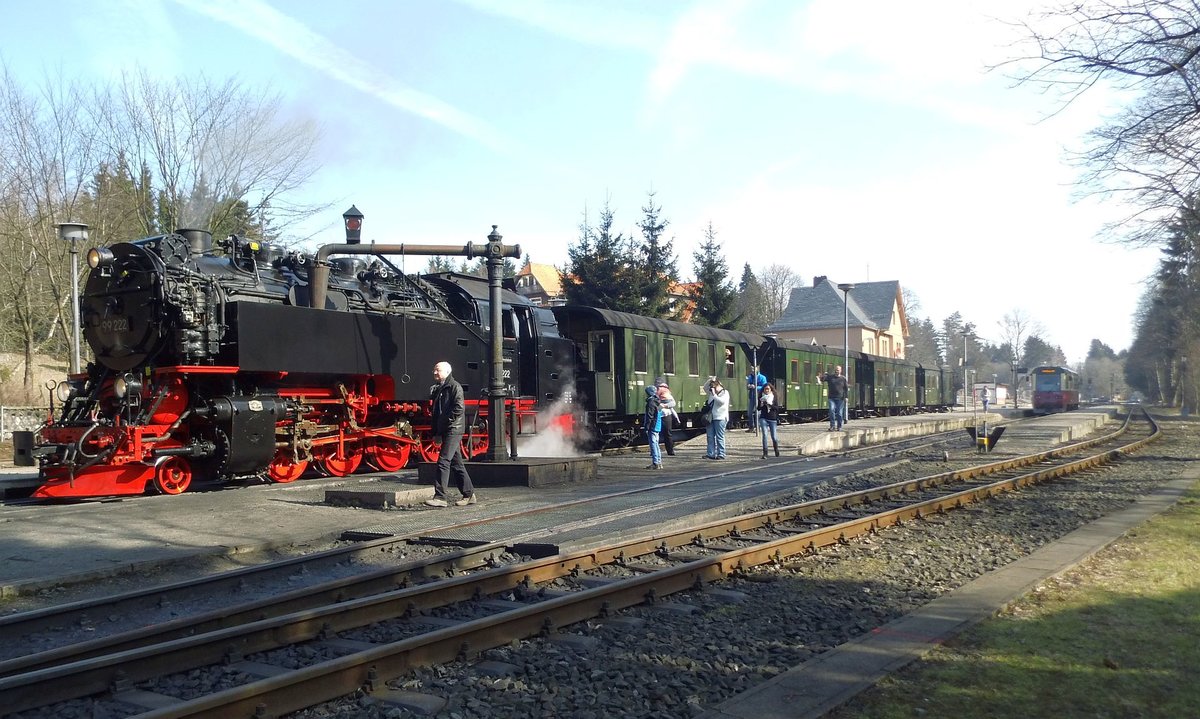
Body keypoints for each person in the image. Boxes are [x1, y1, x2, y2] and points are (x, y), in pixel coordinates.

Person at [424, 361, 477, 507]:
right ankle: (469, 494)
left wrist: (446, 423)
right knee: (457, 463)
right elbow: (436, 413)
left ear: (447, 372)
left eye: (437, 370)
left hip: (454, 429)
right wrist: (436, 431)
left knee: (443, 461)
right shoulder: (440, 389)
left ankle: (440, 497)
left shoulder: (455, 387)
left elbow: (458, 408)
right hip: (447, 428)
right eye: (434, 370)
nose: (434, 372)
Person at [703, 376, 730, 459]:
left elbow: (721, 402)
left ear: (718, 385)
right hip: (711, 417)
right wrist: (710, 380)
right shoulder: (711, 392)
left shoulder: (725, 393)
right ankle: (710, 454)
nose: (712, 389)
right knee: (710, 436)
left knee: (719, 436)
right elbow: (704, 388)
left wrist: (714, 395)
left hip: (720, 417)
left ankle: (721, 454)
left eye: (714, 387)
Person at [818, 365, 849, 431]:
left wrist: (846, 397)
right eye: (835, 370)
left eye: (838, 370)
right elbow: (822, 379)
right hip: (831, 398)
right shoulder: (830, 377)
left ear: (840, 371)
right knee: (831, 411)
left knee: (839, 413)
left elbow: (846, 389)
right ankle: (832, 426)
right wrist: (821, 376)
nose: (836, 371)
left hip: (840, 398)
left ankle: (839, 426)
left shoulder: (843, 379)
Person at [643, 385, 663, 469]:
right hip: (657, 425)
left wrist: (646, 427)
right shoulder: (657, 401)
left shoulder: (650, 403)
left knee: (653, 444)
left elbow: (649, 416)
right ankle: (659, 462)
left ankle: (655, 463)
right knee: (656, 444)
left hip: (653, 426)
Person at [656, 378, 678, 457]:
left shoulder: (663, 391)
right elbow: (673, 403)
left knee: (657, 433)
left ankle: (656, 452)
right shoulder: (666, 391)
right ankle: (670, 451)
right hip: (665, 415)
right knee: (668, 433)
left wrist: (664, 405)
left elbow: (672, 403)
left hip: (661, 414)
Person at [758, 383, 780, 458]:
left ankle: (776, 449)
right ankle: (765, 453)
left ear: (771, 389)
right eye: (765, 389)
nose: (766, 390)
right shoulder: (761, 397)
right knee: (764, 434)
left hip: (772, 418)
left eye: (768, 389)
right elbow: (758, 408)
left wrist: (769, 404)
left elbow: (776, 408)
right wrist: (761, 405)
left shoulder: (774, 397)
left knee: (774, 436)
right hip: (763, 417)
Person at [745, 366, 767, 432]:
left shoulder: (762, 377)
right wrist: (749, 386)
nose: (752, 370)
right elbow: (748, 385)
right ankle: (751, 427)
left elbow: (764, 387)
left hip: (759, 397)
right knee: (749, 413)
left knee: (758, 413)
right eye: (751, 369)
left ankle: (758, 427)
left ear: (757, 369)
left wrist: (756, 387)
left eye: (753, 369)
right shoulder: (750, 377)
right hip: (751, 397)